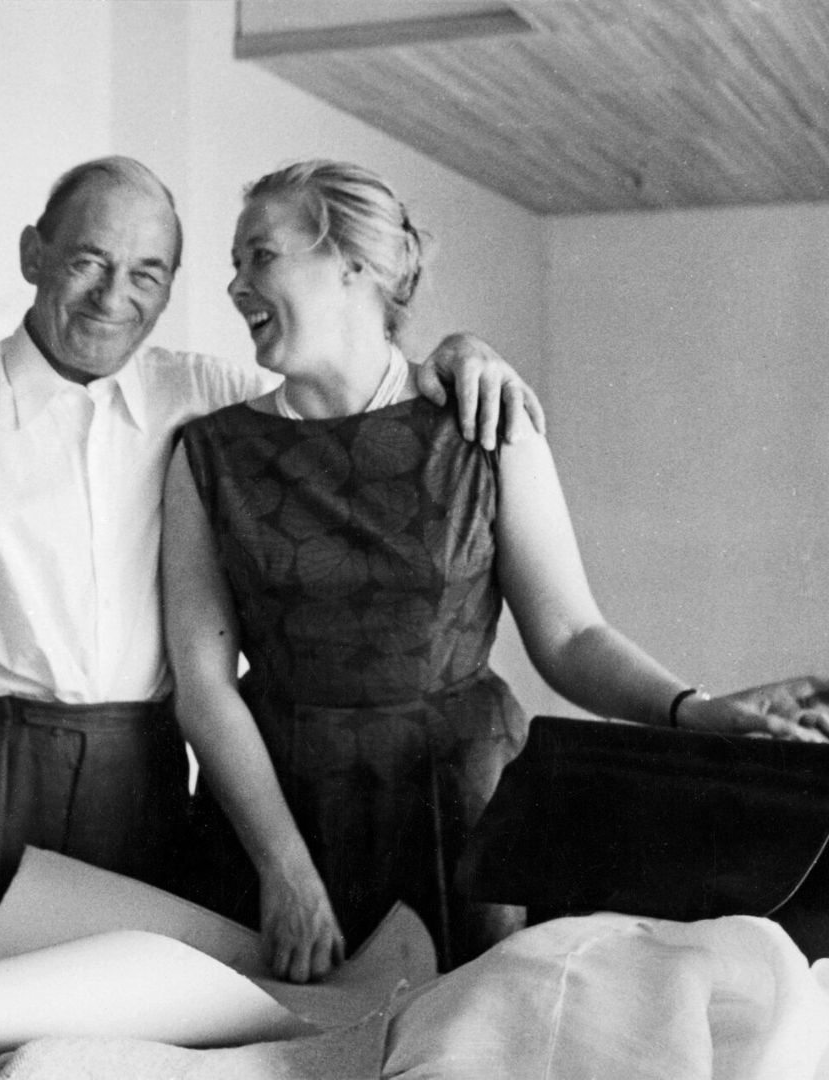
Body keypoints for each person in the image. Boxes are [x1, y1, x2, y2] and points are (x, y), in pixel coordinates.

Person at [0, 155, 544, 957]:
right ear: (33, 254)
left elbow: (343, 388)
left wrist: (462, 356)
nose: (114, 296)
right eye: (89, 262)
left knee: (145, 1014)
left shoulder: (206, 396)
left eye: (148, 274)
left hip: (145, 775)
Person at [162, 158, 829, 984]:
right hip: (275, 814)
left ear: (355, 266)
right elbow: (203, 684)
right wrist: (284, 869)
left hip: (459, 806)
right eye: (235, 264)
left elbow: (571, 634)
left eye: (260, 256)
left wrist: (690, 711)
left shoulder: (485, 422)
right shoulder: (210, 453)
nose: (236, 286)